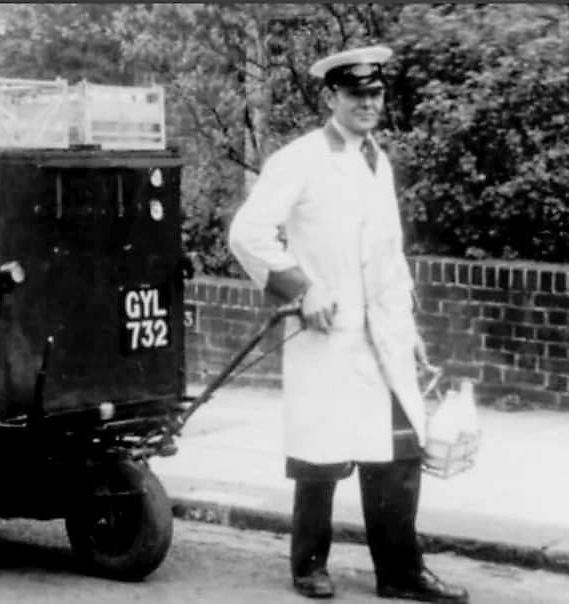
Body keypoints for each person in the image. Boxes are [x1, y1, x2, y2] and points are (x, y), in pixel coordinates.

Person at [228, 45, 469, 603]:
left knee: (400, 453)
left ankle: (400, 573)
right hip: (328, 331)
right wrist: (302, 288)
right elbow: (248, 232)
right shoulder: (301, 158)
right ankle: (308, 565)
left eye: (375, 93)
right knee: (321, 456)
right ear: (331, 97)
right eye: (355, 93)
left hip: (383, 334)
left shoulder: (376, 159)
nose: (367, 102)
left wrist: (410, 326)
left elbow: (390, 252)